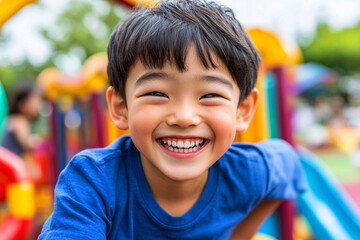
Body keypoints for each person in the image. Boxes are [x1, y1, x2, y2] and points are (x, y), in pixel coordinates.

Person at [39, 0, 306, 239]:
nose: (184, 117)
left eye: (210, 94)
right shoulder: (94, 181)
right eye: (157, 93)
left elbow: (289, 165)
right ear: (121, 107)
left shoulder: (250, 170)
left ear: (243, 110)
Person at [1, 81, 42, 157]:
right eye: (35, 101)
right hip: (11, 163)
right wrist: (35, 141)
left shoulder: (11, 119)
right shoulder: (20, 121)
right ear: (22, 104)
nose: (38, 105)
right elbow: (27, 146)